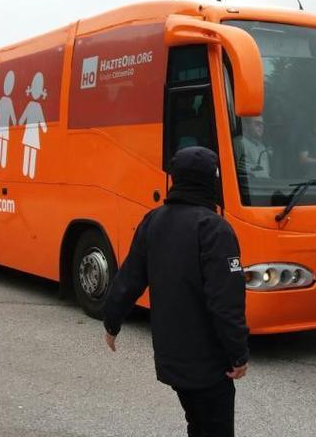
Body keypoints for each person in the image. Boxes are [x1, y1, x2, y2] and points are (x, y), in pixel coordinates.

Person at [103, 146, 249, 437]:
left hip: (171, 355)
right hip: (208, 362)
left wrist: (112, 322)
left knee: (196, 423)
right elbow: (225, 302)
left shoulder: (153, 221)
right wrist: (238, 354)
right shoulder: (214, 228)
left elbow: (129, 277)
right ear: (211, 181)